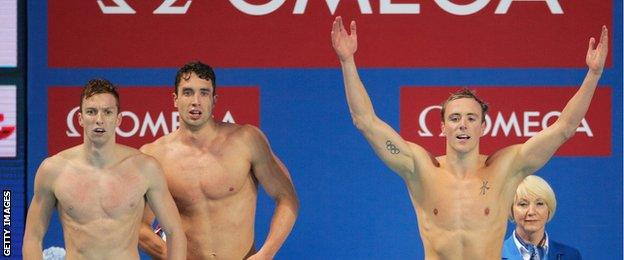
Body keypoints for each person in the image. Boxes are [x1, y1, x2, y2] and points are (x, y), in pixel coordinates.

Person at [331, 16, 607, 259]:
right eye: (454, 118)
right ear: (442, 127)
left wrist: (593, 74)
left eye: (471, 118)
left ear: (483, 127)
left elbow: (565, 127)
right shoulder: (420, 168)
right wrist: (347, 61)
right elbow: (365, 121)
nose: (462, 125)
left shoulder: (505, 168)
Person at [138, 61, 299, 259]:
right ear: (175, 99)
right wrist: (172, 255)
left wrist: (266, 253)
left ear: (214, 100)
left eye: (204, 93)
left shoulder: (246, 141)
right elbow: (138, 225)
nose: (196, 101)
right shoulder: (155, 155)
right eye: (188, 92)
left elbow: (287, 198)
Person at [22, 79, 186, 259]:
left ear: (118, 119)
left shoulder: (145, 168)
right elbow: (32, 238)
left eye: (107, 112)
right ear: (80, 118)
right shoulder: (53, 170)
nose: (99, 120)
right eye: (91, 112)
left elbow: (174, 233)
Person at [502, 175, 582, 259]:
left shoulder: (571, 256)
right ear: (511, 209)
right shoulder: (493, 254)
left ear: (549, 209)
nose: (531, 212)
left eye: (539, 203)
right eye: (523, 204)